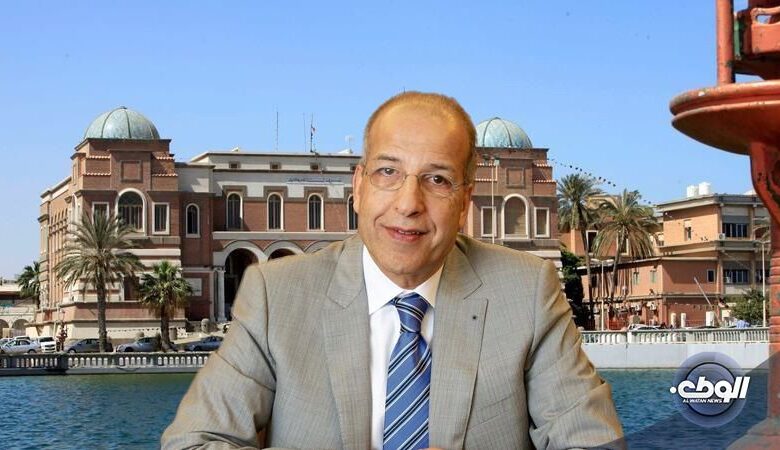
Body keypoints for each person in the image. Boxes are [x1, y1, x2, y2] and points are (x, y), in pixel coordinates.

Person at [162, 91, 624, 449]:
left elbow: (591, 440)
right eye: (388, 173)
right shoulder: (276, 295)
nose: (408, 204)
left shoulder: (525, 292)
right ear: (359, 188)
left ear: (465, 202)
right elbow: (195, 441)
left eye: (437, 179)